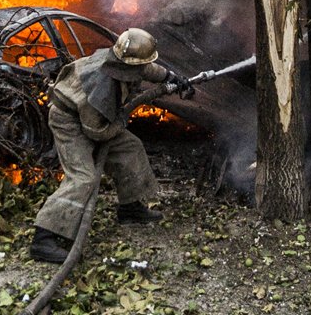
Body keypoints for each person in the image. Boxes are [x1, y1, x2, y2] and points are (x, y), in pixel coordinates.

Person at [29, 27, 194, 263]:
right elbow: (98, 133)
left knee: (130, 148)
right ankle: (44, 238)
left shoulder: (120, 59)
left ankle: (130, 208)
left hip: (91, 118)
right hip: (69, 121)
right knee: (83, 177)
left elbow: (145, 68)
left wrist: (170, 78)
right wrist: (122, 119)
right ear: (127, 63)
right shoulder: (101, 87)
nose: (141, 69)